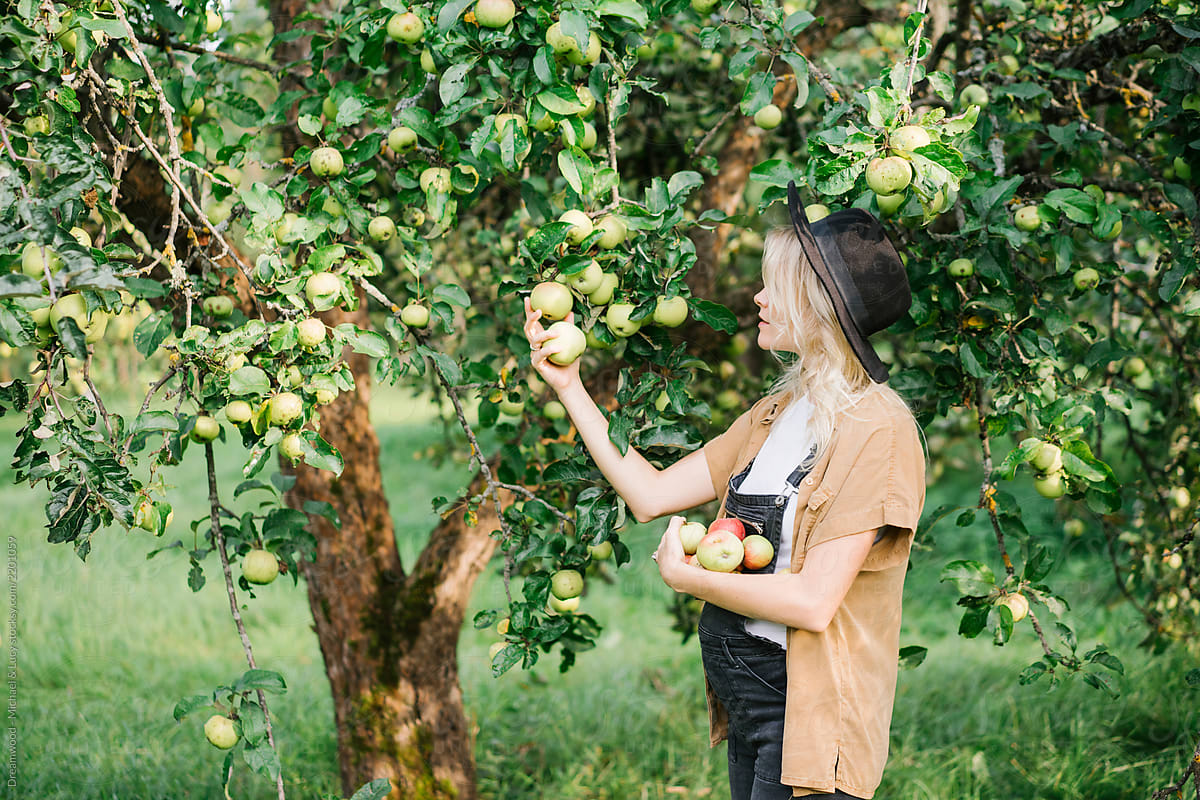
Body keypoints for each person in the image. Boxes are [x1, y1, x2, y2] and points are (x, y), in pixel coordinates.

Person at [522, 180, 926, 800]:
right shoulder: (782, 411)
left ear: (818, 304)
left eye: (776, 286)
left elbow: (817, 602)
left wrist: (693, 581)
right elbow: (650, 494)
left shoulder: (881, 430)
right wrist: (570, 385)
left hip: (808, 708)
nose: (759, 297)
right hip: (752, 696)